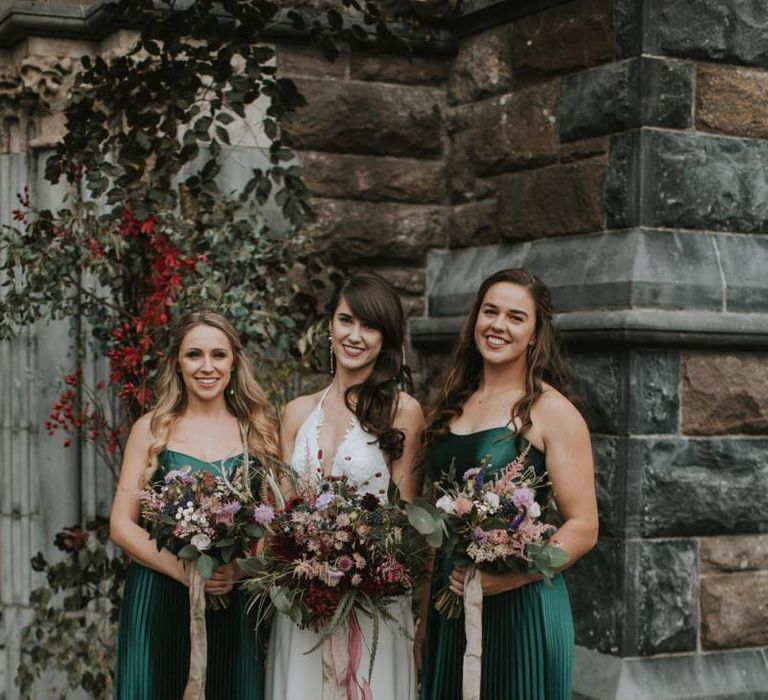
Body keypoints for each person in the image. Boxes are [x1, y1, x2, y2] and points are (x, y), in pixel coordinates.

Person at [416, 268, 598, 700]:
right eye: (490, 311)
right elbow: (436, 532)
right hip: (452, 600)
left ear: (535, 334)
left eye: (516, 317)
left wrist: (511, 578)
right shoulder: (452, 402)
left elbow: (584, 527)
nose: (498, 325)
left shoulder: (552, 412)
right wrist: (425, 620)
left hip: (521, 608)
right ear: (475, 319)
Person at [266, 272, 425, 700]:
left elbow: (405, 521)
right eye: (346, 320)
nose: (355, 336)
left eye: (370, 326)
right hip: (304, 610)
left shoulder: (402, 411)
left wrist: (360, 567)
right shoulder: (296, 413)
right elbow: (282, 516)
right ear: (330, 327)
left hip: (373, 609)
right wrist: (307, 569)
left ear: (386, 339)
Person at [110, 310, 278, 699]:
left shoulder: (259, 432)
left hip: (229, 599)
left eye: (218, 355)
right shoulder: (152, 429)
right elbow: (121, 524)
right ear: (177, 363)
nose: (207, 367)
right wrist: (184, 572)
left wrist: (237, 571)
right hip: (158, 596)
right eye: (194, 355)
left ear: (234, 361)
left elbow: (276, 527)